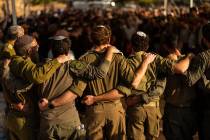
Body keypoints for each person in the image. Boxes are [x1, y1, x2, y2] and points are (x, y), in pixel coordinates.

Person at [36, 35, 118, 140]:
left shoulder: (40, 67)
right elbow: (100, 73)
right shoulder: (73, 65)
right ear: (68, 50)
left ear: (51, 50)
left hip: (47, 122)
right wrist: (110, 52)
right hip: (69, 122)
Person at [117, 31, 193, 140]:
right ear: (147, 46)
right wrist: (190, 56)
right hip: (153, 109)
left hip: (135, 109)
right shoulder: (155, 59)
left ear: (131, 45)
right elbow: (179, 68)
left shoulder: (125, 62)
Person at [162, 34, 197, 140]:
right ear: (181, 44)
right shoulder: (192, 60)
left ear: (165, 46)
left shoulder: (165, 61)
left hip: (172, 109)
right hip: (189, 109)